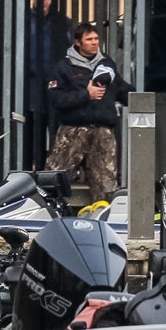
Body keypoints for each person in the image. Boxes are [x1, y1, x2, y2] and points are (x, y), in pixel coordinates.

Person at [45, 22, 130, 204]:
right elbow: (56, 100)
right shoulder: (63, 67)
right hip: (72, 131)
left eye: (96, 39)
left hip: (103, 132)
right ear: (78, 42)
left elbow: (122, 90)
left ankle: (104, 217)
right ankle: (48, 214)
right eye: (89, 39)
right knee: (54, 180)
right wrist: (86, 95)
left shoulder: (107, 65)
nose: (94, 43)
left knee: (106, 186)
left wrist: (143, 98)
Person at [25, 0, 73, 168]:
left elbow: (69, 52)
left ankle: (53, 169)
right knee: (33, 125)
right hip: (32, 83)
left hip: (55, 83)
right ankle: (32, 167)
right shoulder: (26, 20)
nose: (43, 3)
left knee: (55, 126)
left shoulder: (61, 22)